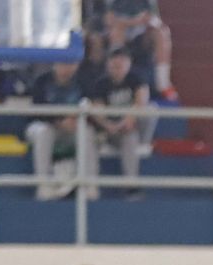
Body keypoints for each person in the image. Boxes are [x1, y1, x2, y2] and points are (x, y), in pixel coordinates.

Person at [84, 47, 150, 200]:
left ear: (128, 64)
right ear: (108, 65)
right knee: (88, 133)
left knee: (134, 132)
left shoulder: (137, 79)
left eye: (121, 65)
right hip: (109, 130)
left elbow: (141, 101)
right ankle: (90, 184)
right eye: (114, 65)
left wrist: (127, 121)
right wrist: (108, 125)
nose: (117, 69)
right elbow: (98, 109)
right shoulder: (101, 84)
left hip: (131, 127)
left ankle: (131, 184)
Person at [25, 62, 93, 201]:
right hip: (43, 126)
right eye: (62, 64)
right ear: (54, 64)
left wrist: (76, 120)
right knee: (44, 132)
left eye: (69, 64)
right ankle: (43, 184)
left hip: (72, 128)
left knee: (87, 132)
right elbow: (37, 111)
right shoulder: (42, 81)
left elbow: (89, 106)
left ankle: (88, 184)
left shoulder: (83, 82)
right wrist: (59, 121)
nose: (66, 68)